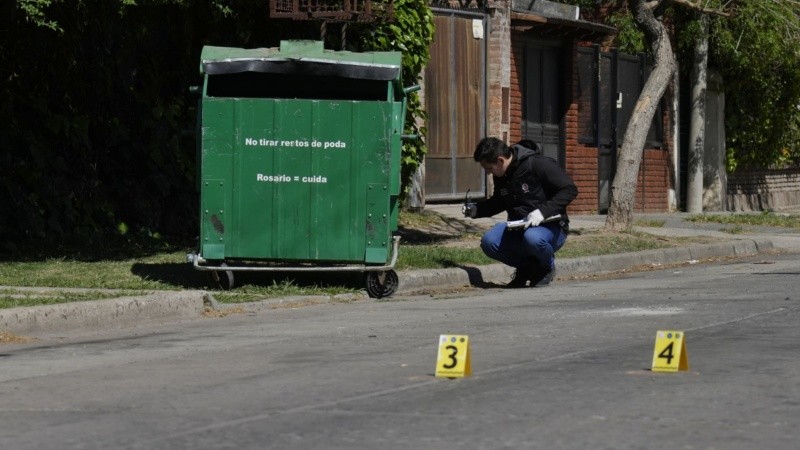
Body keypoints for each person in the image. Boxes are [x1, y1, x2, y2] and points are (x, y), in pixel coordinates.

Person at [462, 137, 578, 288]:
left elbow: (569, 189)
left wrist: (542, 212)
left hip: (551, 226)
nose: (488, 173)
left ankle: (546, 266)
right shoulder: (502, 175)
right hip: (518, 227)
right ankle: (527, 267)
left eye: (489, 168)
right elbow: (499, 202)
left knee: (533, 238)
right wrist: (475, 210)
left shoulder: (538, 164)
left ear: (500, 160)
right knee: (489, 241)